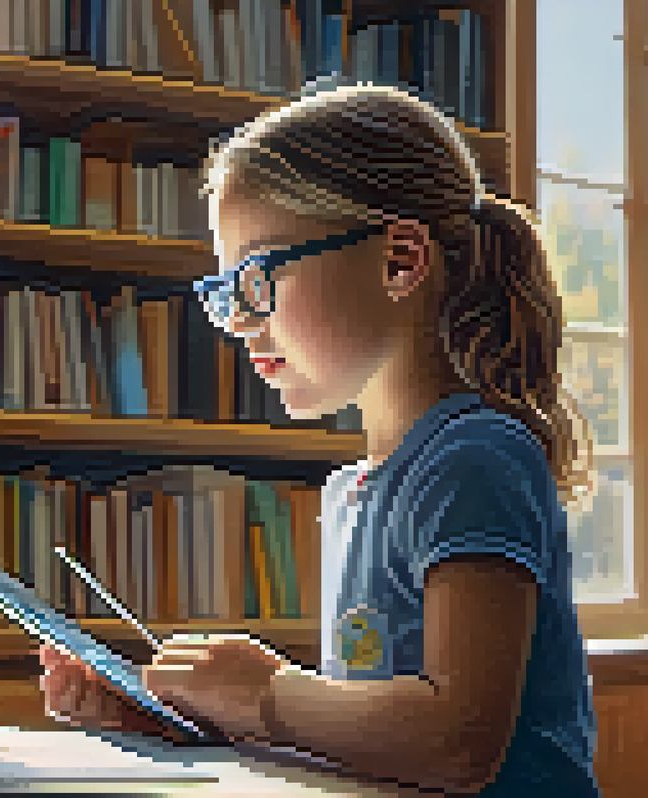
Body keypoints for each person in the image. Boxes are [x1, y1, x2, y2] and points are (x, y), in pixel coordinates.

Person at [39, 81, 601, 797]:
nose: (240, 322)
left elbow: (459, 742)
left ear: (400, 260)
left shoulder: (475, 458)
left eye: (258, 275)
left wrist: (266, 693)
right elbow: (364, 743)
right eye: (225, 294)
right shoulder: (352, 492)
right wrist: (181, 721)